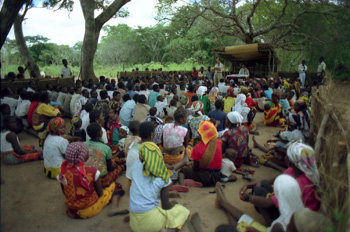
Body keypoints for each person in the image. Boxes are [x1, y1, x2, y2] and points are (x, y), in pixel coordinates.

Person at [129, 121, 190, 232]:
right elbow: (166, 205)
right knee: (182, 211)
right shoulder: (162, 174)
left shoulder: (136, 166)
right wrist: (174, 204)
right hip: (151, 222)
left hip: (134, 221)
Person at [240, 142, 320, 225]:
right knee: (262, 184)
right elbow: (270, 181)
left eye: (287, 156)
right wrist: (247, 185)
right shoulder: (295, 171)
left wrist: (248, 197)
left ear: (290, 162)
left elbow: (268, 203)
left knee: (258, 191)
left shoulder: (302, 184)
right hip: (296, 211)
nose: (285, 157)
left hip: (298, 222)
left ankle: (271, 224)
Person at [58, 142, 127, 219]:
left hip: (71, 209)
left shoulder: (63, 171)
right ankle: (114, 207)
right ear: (83, 157)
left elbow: (63, 188)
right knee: (116, 185)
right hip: (90, 209)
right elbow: (100, 193)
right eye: (87, 152)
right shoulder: (92, 171)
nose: (88, 153)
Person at [216, 175, 306, 232]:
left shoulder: (279, 227)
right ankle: (224, 203)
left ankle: (224, 204)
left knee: (225, 229)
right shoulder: (301, 212)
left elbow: (267, 203)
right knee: (247, 221)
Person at [179, 120, 222, 187]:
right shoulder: (219, 143)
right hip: (217, 176)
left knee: (183, 171)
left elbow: (196, 168)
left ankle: (182, 185)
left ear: (200, 133)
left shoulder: (197, 148)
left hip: (204, 177)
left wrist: (190, 166)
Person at [85, 123, 125, 188]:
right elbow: (110, 168)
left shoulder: (83, 145)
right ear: (100, 133)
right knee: (118, 167)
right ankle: (123, 167)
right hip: (101, 179)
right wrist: (116, 166)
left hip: (86, 178)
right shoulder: (106, 148)